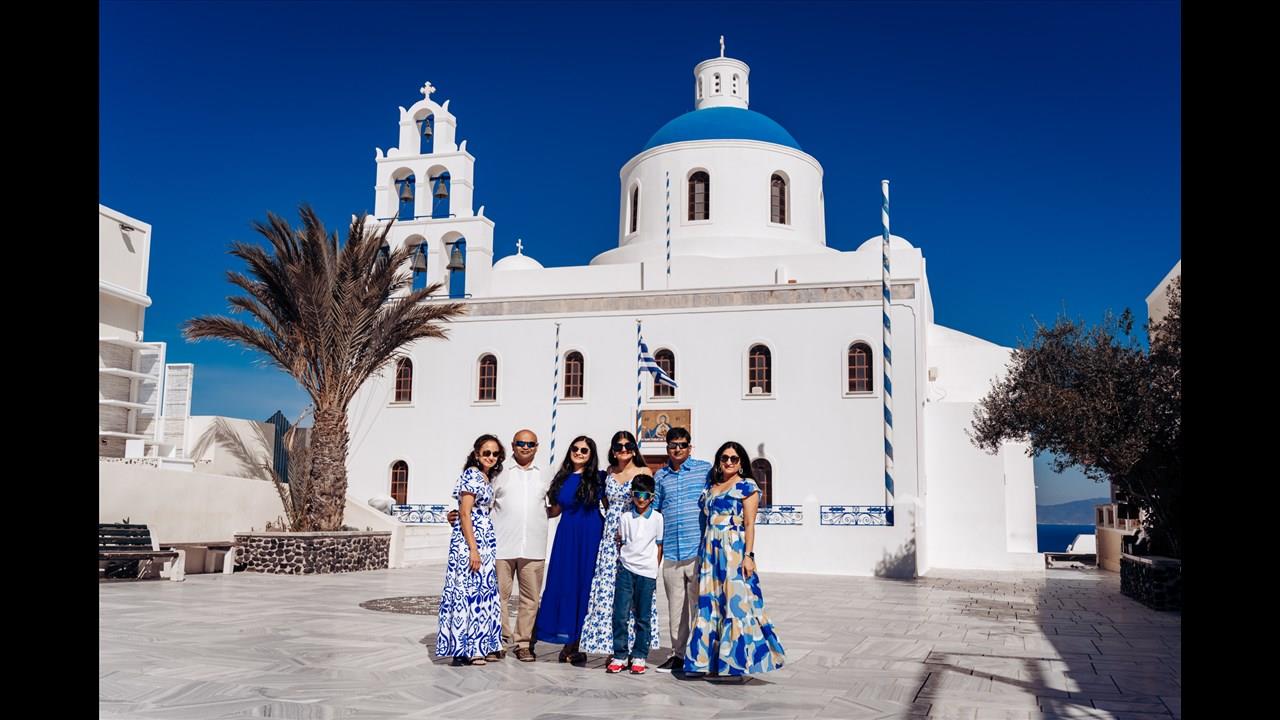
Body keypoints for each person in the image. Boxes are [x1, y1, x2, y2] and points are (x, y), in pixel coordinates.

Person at [683, 441, 785, 676]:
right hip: (710, 551)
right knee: (709, 602)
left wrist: (749, 556)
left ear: (741, 463)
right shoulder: (712, 487)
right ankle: (704, 662)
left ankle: (736, 662)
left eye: (734, 458)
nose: (728, 462)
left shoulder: (747, 486)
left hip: (733, 551)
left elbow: (749, 524)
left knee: (735, 601)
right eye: (724, 458)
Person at [578, 431, 661, 658]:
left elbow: (649, 504)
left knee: (634, 591)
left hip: (635, 535)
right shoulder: (609, 473)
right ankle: (613, 647)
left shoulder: (644, 472)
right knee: (610, 591)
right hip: (610, 539)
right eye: (618, 446)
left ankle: (636, 648)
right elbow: (606, 503)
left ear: (634, 449)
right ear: (613, 451)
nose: (623, 450)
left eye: (628, 445)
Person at [533, 435, 605, 663]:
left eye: (584, 450)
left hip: (591, 536)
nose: (579, 453)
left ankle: (576, 642)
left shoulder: (599, 478)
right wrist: (529, 513)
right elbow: (554, 510)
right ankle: (562, 639)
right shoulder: (561, 478)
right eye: (575, 448)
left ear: (591, 455)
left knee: (586, 586)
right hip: (566, 537)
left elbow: (610, 506)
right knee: (564, 584)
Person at [435, 434, 505, 666]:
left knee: (481, 591)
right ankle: (465, 649)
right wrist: (473, 549)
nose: (491, 457)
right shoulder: (472, 475)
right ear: (476, 454)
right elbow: (465, 513)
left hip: (484, 541)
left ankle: (477, 646)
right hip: (470, 541)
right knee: (467, 591)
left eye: (495, 453)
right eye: (486, 453)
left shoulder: (486, 477)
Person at [651, 426, 711, 673]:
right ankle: (678, 655)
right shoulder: (660, 476)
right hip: (672, 554)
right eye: (673, 445)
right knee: (676, 611)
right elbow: (654, 511)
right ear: (667, 448)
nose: (678, 449)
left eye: (682, 445)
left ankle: (700, 655)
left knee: (699, 608)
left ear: (690, 447)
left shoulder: (704, 470)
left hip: (697, 552)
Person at [606, 472, 663, 675]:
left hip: (647, 573)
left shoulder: (657, 518)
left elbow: (659, 546)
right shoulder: (625, 517)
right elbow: (622, 542)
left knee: (643, 617)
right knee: (620, 614)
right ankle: (620, 655)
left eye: (645, 495)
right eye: (637, 494)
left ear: (652, 497)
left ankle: (639, 655)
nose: (641, 499)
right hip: (626, 570)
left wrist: (654, 569)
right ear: (631, 495)